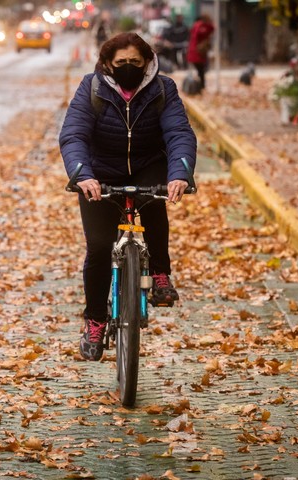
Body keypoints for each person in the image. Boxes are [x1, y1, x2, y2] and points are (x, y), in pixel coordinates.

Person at [59, 32, 197, 361]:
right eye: (121, 63)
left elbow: (178, 132)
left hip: (148, 165)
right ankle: (94, 321)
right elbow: (74, 133)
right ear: (107, 64)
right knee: (98, 246)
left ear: (148, 62)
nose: (129, 68)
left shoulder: (163, 89)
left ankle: (160, 273)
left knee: (154, 205)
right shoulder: (90, 88)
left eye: (136, 62)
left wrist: (179, 174)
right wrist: (82, 174)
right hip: (100, 173)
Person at [186, 14, 215, 93]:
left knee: (201, 70)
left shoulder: (197, 26)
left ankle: (201, 85)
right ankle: (201, 86)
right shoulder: (201, 26)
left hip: (197, 52)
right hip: (198, 52)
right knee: (201, 70)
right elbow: (211, 29)